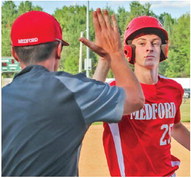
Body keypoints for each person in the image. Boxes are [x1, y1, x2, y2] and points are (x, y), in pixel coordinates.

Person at [2, 9, 144, 176]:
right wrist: (115, 53)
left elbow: (87, 105)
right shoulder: (71, 89)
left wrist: (104, 61)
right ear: (58, 50)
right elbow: (135, 99)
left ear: (14, 54)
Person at [94, 16, 190, 176]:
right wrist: (105, 59)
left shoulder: (174, 89)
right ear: (129, 50)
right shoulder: (116, 90)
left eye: (155, 43)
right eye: (142, 43)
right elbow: (89, 104)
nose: (149, 48)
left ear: (163, 50)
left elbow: (176, 126)